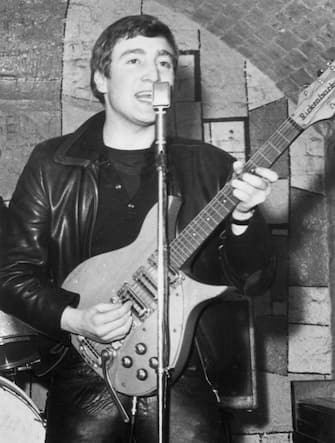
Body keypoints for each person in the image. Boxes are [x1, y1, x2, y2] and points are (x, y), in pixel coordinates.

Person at [0, 14, 278, 443]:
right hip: (83, 364)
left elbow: (254, 279)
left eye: (165, 62)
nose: (154, 72)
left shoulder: (209, 165)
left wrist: (243, 220)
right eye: (134, 60)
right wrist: (76, 318)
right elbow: (11, 274)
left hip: (187, 368)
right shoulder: (52, 164)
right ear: (101, 79)